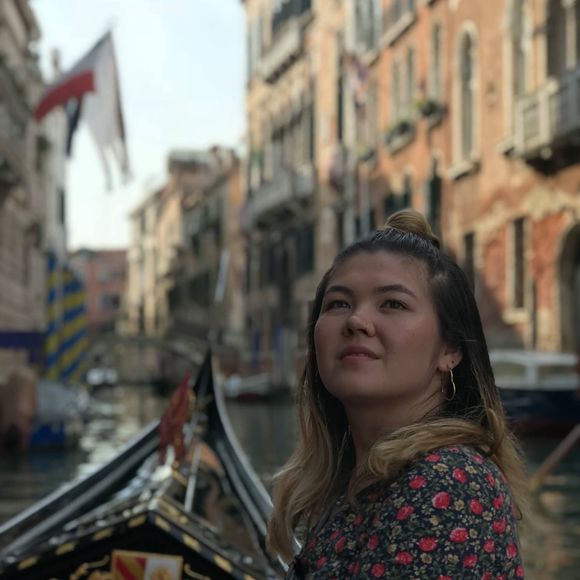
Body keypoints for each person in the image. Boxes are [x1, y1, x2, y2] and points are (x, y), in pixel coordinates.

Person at [267, 210, 528, 578]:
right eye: (338, 303)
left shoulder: (449, 483)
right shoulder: (352, 485)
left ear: (450, 349)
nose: (356, 320)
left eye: (393, 304)